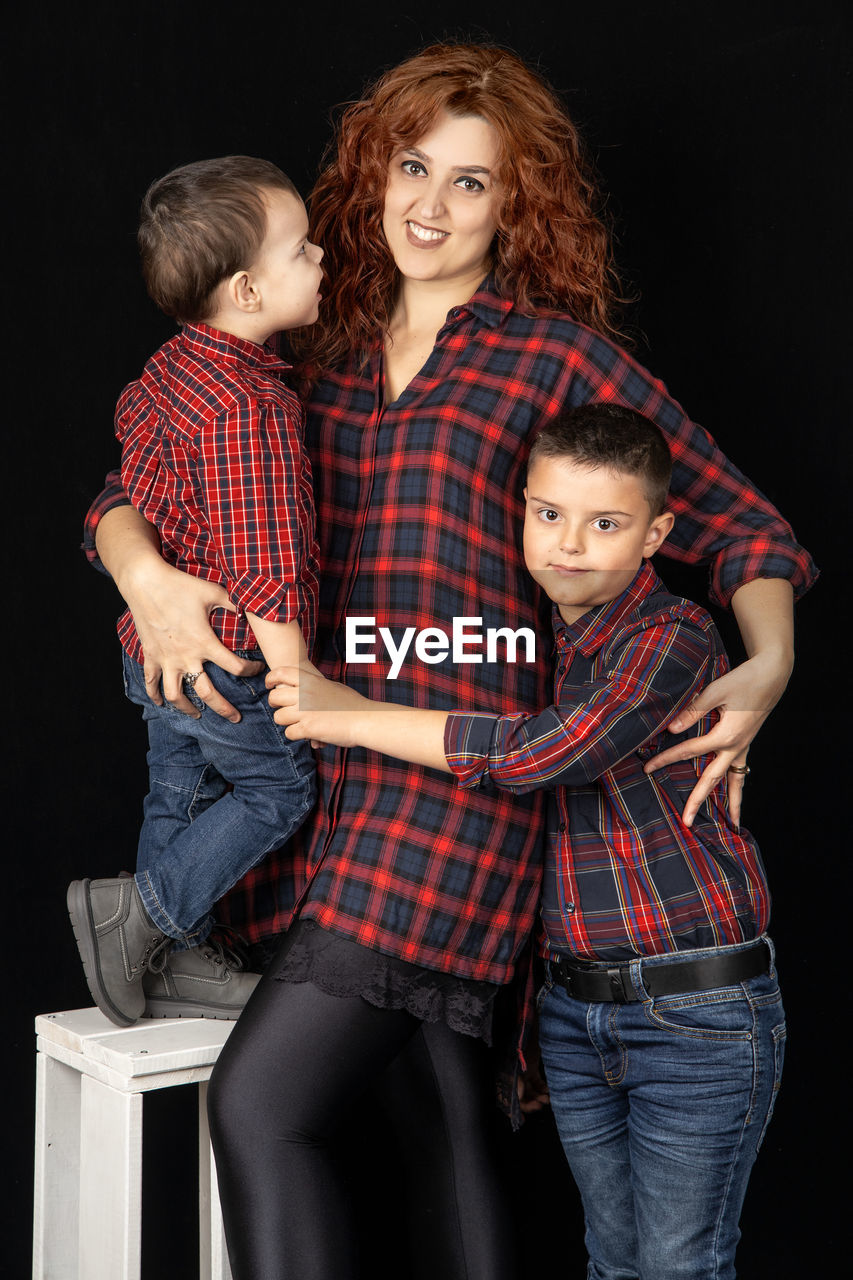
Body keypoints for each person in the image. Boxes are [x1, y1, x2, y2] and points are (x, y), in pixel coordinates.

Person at [82, 43, 815, 1280]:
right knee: (442, 1129)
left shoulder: (553, 361)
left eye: (470, 183)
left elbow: (744, 524)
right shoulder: (305, 351)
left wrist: (766, 666)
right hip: (317, 793)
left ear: (513, 207)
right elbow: (130, 483)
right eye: (413, 166)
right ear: (373, 174)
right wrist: (144, 576)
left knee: (261, 1109)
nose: (430, 204)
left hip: (454, 803)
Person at [273, 403, 784, 1280]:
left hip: (693, 1009)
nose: (569, 543)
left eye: (605, 523)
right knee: (610, 1261)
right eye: (547, 514)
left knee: (677, 1268)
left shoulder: (672, 636)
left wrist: (352, 718)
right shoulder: (530, 639)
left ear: (657, 531)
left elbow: (551, 751)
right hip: (575, 1012)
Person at [68, 156, 323, 1027]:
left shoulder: (165, 372)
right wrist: (294, 683)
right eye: (303, 249)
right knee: (277, 792)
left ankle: (166, 959)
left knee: (176, 793)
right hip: (228, 659)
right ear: (248, 291)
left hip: (153, 654)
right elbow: (267, 561)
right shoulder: (249, 407)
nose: (321, 256)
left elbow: (135, 490)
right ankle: (143, 916)